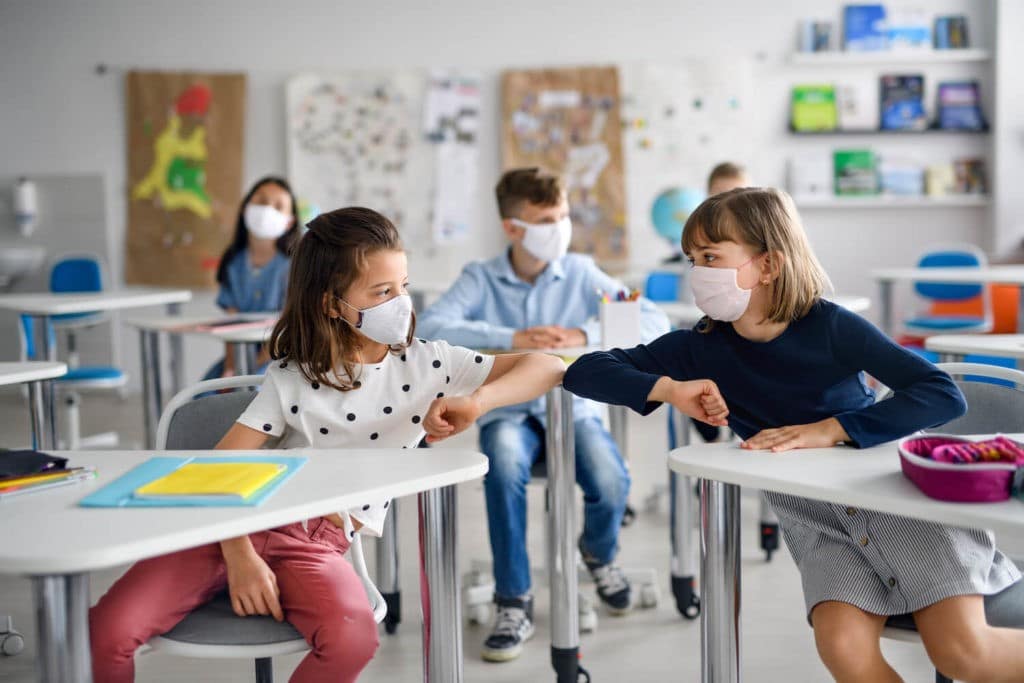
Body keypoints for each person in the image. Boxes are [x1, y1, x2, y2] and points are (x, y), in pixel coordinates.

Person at [564, 187, 1024, 683]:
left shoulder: (830, 326)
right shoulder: (699, 346)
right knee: (844, 650)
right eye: (693, 259)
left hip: (896, 506)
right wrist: (670, 388)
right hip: (818, 524)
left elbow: (941, 393)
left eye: (712, 257)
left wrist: (832, 429)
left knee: (960, 654)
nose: (697, 273)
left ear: (767, 265)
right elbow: (587, 370)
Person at [89, 207, 566, 683]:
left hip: (317, 541)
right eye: (382, 292)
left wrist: (478, 402)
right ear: (331, 304)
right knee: (105, 631)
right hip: (239, 520)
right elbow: (221, 465)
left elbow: (547, 365)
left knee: (353, 639)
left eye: (402, 285)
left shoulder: (430, 365)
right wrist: (240, 556)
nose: (401, 302)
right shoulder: (293, 375)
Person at [417, 167, 670, 662]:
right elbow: (431, 324)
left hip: (574, 410)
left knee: (610, 479)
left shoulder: (580, 272)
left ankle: (599, 553)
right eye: (546, 219)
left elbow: (653, 320)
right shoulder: (481, 277)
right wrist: (512, 337)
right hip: (505, 411)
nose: (560, 226)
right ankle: (514, 599)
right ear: (513, 228)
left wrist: (582, 333)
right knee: (504, 465)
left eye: (562, 215)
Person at [203, 176, 300, 380]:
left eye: (278, 206)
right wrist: (231, 367)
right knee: (204, 396)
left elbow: (287, 328)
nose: (267, 209)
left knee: (252, 395)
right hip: (241, 356)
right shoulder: (233, 263)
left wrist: (249, 370)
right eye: (261, 201)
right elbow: (231, 322)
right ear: (245, 207)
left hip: (279, 357)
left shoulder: (294, 266)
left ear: (289, 221)